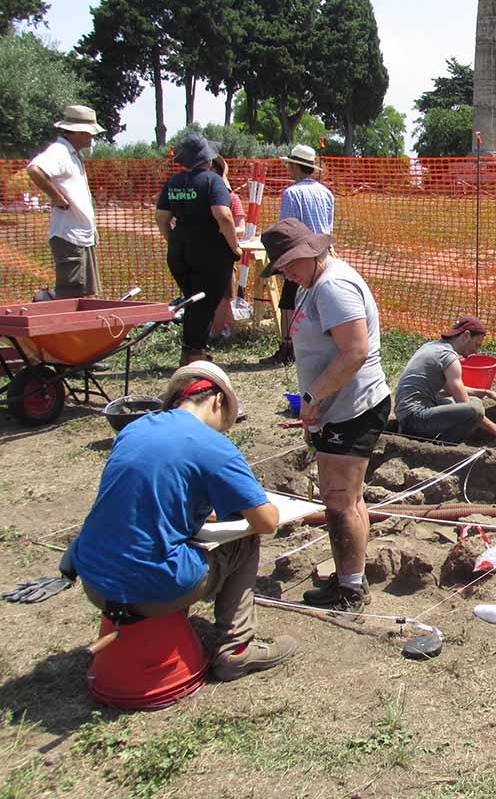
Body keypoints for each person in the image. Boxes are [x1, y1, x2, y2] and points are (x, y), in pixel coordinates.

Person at [66, 361, 297, 681]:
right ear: (218, 401)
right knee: (246, 539)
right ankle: (237, 647)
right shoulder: (212, 444)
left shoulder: (135, 428)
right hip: (147, 589)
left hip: (96, 583)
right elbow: (267, 521)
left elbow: (150, 498)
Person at [260, 218, 391, 612]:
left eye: (290, 264)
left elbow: (355, 351)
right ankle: (351, 577)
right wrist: (313, 404)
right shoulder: (311, 283)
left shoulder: (333, 286)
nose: (286, 272)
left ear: (312, 251)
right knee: (349, 498)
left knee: (339, 500)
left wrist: (313, 397)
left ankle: (350, 591)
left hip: (353, 406)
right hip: (336, 406)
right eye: (280, 267)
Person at [154, 132, 242, 365]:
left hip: (180, 252)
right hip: (210, 252)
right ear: (209, 159)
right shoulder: (213, 181)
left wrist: (173, 241)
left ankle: (191, 351)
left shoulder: (173, 182)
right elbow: (224, 217)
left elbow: (161, 218)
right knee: (204, 304)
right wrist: (235, 249)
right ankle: (195, 356)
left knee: (193, 301)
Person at [262, 144, 335, 366]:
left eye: (289, 164)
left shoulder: (291, 193)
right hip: (323, 252)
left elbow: (288, 227)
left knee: (288, 303)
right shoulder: (327, 193)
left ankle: (288, 347)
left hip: (300, 253)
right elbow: (329, 226)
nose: (287, 168)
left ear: (296, 166)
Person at [392, 316, 496, 445]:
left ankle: (433, 440)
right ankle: (442, 447)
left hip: (406, 415)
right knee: (475, 410)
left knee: (476, 402)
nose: (475, 350)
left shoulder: (432, 347)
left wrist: (487, 392)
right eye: (476, 344)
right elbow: (467, 405)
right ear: (466, 336)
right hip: (415, 419)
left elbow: (452, 389)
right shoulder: (448, 357)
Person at [25, 105, 104, 299]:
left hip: (81, 237)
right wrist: (55, 196)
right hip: (69, 237)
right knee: (70, 294)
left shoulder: (74, 155)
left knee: (85, 292)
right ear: (76, 131)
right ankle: (48, 309)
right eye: (88, 133)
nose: (91, 137)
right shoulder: (60, 151)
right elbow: (34, 169)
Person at [208, 156, 247, 345]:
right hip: (202, 254)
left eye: (211, 169)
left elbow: (241, 227)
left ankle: (215, 334)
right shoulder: (202, 197)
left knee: (225, 296)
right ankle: (217, 331)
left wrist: (224, 229)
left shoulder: (232, 198)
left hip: (223, 254)